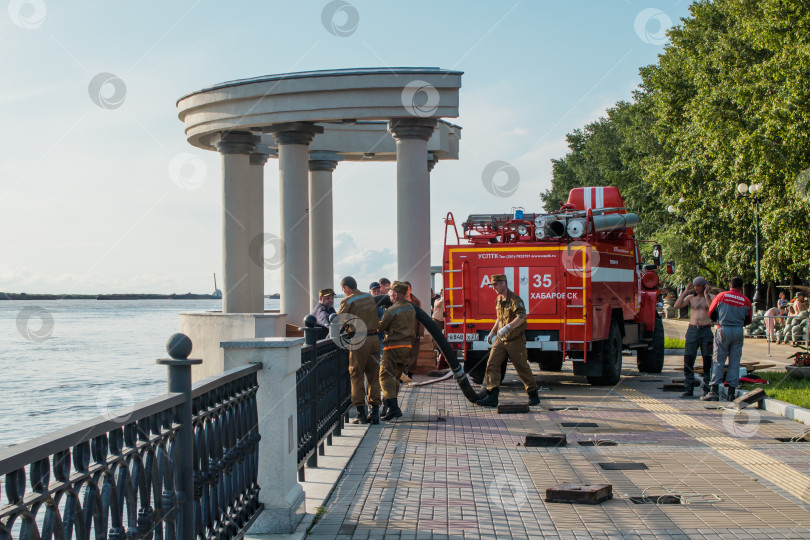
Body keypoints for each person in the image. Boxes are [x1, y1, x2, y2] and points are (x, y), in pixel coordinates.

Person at [476, 274, 540, 407]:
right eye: (492, 285)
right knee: (492, 363)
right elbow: (499, 318)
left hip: (515, 339)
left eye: (495, 285)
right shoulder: (498, 299)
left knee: (521, 367)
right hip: (501, 339)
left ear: (503, 283)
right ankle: (492, 395)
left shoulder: (515, 299)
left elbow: (522, 317)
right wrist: (492, 332)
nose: (493, 288)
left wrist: (508, 327)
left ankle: (533, 393)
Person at [337, 276, 382, 424]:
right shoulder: (369, 297)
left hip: (359, 340)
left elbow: (338, 324)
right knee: (374, 376)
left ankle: (360, 414)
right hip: (374, 339)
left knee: (356, 376)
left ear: (347, 288)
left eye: (343, 290)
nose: (344, 292)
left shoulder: (348, 301)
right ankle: (374, 413)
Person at [701, 276, 752, 402]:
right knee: (735, 361)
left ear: (730, 285)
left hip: (723, 329)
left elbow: (711, 313)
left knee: (718, 360)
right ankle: (731, 394)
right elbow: (748, 320)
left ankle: (714, 392)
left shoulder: (721, 296)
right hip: (738, 331)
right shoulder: (746, 301)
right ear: (741, 287)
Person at [377, 281, 416, 420]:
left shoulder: (391, 310)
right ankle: (391, 407)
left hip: (392, 347)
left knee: (385, 376)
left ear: (397, 294)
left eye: (391, 293)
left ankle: (393, 408)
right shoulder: (411, 308)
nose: (389, 295)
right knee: (396, 376)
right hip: (406, 347)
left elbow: (380, 328)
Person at [673, 277, 715, 398]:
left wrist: (706, 295)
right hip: (692, 330)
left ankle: (707, 390)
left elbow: (712, 310)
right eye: (695, 286)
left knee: (707, 360)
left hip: (706, 330)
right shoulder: (691, 298)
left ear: (704, 286)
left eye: (699, 286)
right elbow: (677, 305)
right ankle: (688, 388)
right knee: (688, 359)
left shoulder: (710, 297)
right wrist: (685, 292)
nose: (696, 288)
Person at [403, 281, 424, 374]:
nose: (405, 291)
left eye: (407, 289)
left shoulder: (416, 302)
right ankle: (402, 374)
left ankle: (410, 373)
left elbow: (422, 319)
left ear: (410, 289)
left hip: (413, 332)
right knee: (402, 353)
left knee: (413, 354)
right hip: (401, 333)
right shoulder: (397, 301)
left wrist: (421, 333)